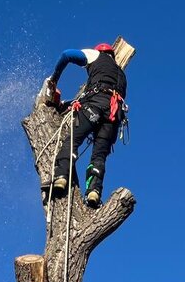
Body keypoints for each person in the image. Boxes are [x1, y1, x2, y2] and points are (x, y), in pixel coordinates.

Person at [43, 43, 128, 207]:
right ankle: (94, 192)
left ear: (101, 51)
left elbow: (66, 54)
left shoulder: (95, 55)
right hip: (113, 117)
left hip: (95, 107)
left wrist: (54, 79)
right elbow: (104, 95)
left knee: (72, 140)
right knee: (99, 156)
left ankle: (60, 177)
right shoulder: (121, 75)